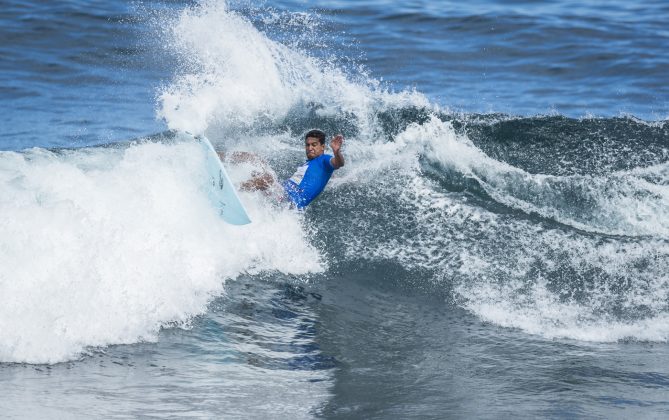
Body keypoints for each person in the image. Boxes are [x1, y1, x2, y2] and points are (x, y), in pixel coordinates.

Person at [220, 129, 345, 209]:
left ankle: (232, 188)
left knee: (267, 179)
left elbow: (338, 163)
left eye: (314, 145)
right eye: (307, 145)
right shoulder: (308, 164)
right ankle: (219, 156)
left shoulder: (324, 160)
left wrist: (336, 151)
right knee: (256, 160)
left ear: (322, 147)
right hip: (281, 195)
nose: (310, 148)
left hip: (290, 203)